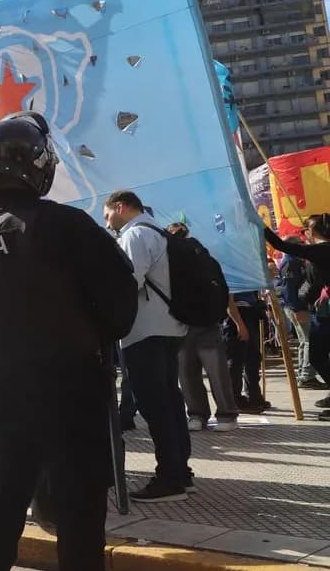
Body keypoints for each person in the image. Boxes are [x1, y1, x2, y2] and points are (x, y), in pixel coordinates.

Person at [0, 112, 138, 571]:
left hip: (1, 388)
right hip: (70, 388)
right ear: (38, 165)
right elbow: (120, 307)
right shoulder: (68, 224)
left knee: (3, 504)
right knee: (78, 510)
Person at [103, 189, 193, 503]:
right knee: (170, 401)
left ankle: (169, 479)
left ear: (120, 206)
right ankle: (181, 471)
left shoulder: (135, 236)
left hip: (144, 332)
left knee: (155, 406)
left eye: (108, 215)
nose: (109, 222)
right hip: (170, 328)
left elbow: (129, 282)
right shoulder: (159, 232)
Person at [165, 223, 240, 433]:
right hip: (209, 322)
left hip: (181, 323)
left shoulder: (171, 258)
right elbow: (223, 290)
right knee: (217, 372)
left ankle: (197, 415)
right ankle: (227, 415)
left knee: (187, 374)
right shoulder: (207, 258)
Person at [263, 217, 330, 418]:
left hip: (325, 311)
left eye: (304, 231)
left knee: (316, 352)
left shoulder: (321, 250)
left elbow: (280, 245)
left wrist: (262, 226)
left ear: (313, 231)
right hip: (321, 307)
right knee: (318, 351)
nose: (303, 235)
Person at [275, 239, 323, 389]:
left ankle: (304, 373)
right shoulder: (291, 263)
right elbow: (288, 288)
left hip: (300, 307)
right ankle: (307, 375)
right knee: (308, 341)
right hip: (298, 307)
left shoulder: (296, 261)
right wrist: (296, 309)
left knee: (304, 341)